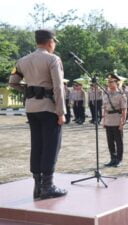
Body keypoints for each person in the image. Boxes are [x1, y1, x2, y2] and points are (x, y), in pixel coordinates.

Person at [9, 29, 67, 200]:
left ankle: (37, 186)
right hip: (49, 108)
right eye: (54, 42)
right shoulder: (53, 59)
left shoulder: (22, 60)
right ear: (50, 42)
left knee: (37, 145)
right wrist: (61, 112)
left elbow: (13, 82)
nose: (54, 45)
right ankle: (47, 187)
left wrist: (30, 90)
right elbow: (58, 87)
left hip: (31, 108)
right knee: (51, 146)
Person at [103, 74, 127, 168]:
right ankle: (112, 158)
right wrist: (104, 121)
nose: (109, 83)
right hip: (108, 119)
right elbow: (105, 108)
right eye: (108, 82)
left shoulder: (121, 95)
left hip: (117, 119)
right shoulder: (106, 94)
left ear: (116, 83)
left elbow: (124, 109)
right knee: (110, 141)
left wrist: (122, 122)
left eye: (111, 82)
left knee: (119, 141)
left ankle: (119, 159)